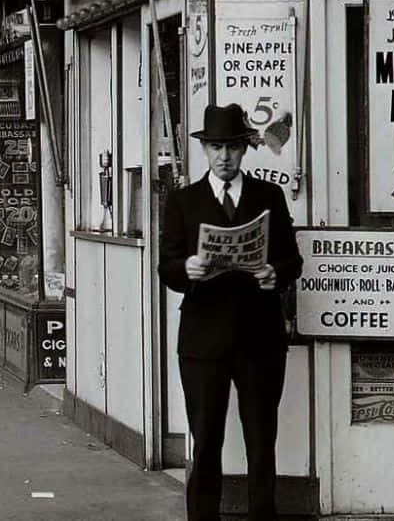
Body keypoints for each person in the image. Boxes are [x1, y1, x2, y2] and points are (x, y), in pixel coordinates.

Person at [159, 103, 302, 521]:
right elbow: (166, 265)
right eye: (217, 147)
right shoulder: (184, 202)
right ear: (205, 150)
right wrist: (186, 268)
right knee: (205, 440)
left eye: (233, 148)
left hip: (260, 337)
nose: (225, 157)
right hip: (203, 341)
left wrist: (276, 273)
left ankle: (263, 515)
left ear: (245, 151)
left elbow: (293, 260)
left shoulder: (267, 196)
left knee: (261, 439)